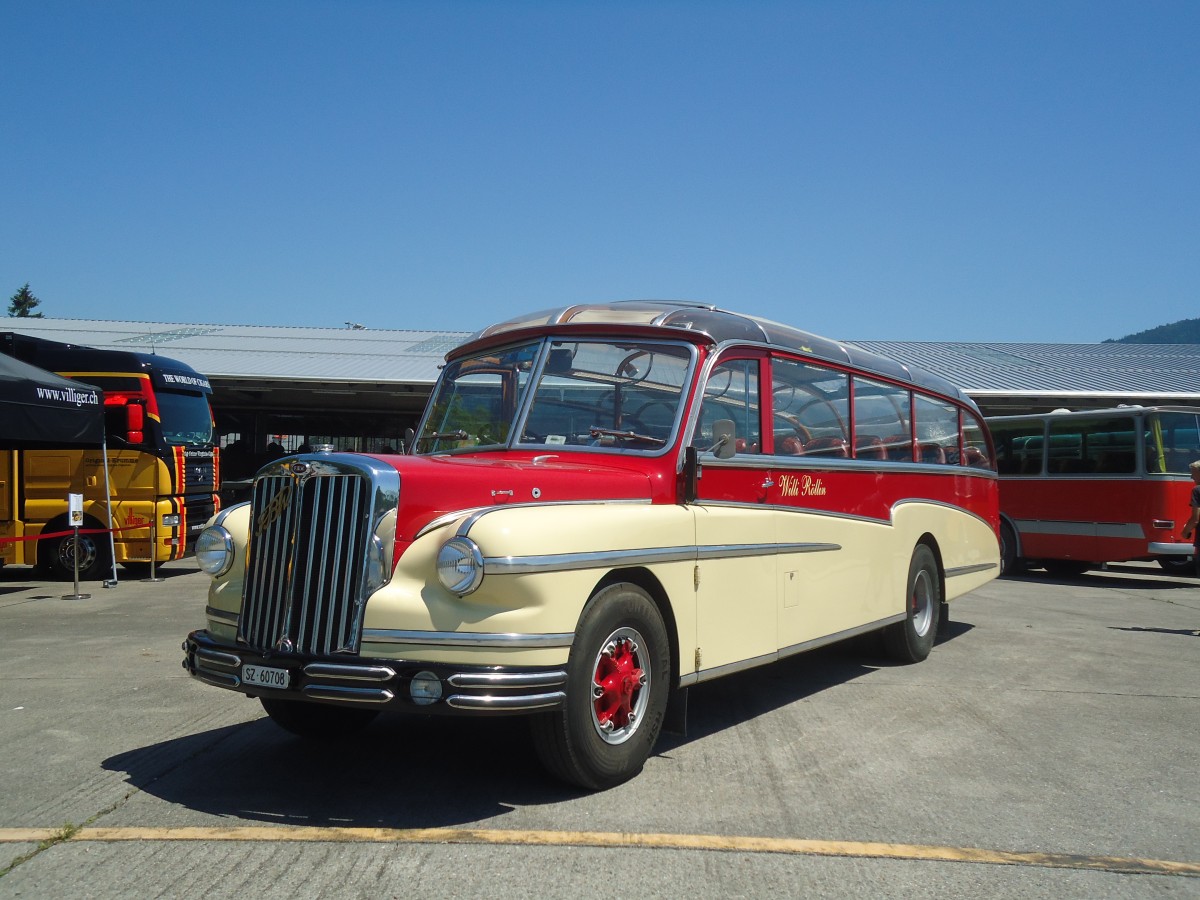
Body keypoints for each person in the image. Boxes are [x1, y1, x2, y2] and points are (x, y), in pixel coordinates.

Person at [1180, 460, 1200, 577]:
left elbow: (1195, 518)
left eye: (1194, 473)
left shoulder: (1197, 490)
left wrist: (1185, 531)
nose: (1191, 476)